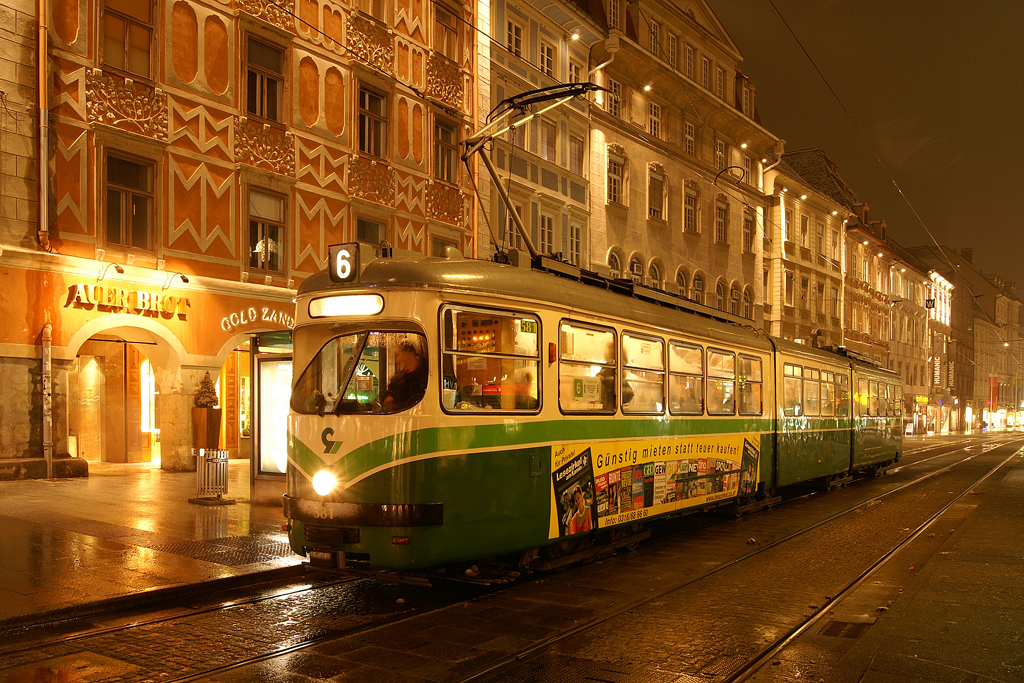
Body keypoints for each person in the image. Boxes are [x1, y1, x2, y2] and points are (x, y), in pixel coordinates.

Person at [382, 341, 428, 411]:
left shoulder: (429, 373)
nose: (397, 360)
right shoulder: (397, 380)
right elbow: (389, 391)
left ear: (408, 354)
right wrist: (388, 396)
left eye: (398, 355)